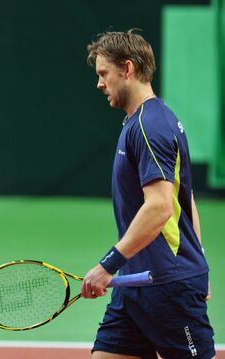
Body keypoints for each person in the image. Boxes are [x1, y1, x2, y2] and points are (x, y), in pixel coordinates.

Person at [82, 29, 215, 359]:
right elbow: (185, 201)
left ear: (127, 69)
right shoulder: (139, 123)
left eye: (104, 74)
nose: (99, 84)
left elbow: (159, 208)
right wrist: (200, 261)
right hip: (135, 285)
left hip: (167, 287)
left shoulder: (150, 126)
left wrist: (107, 266)